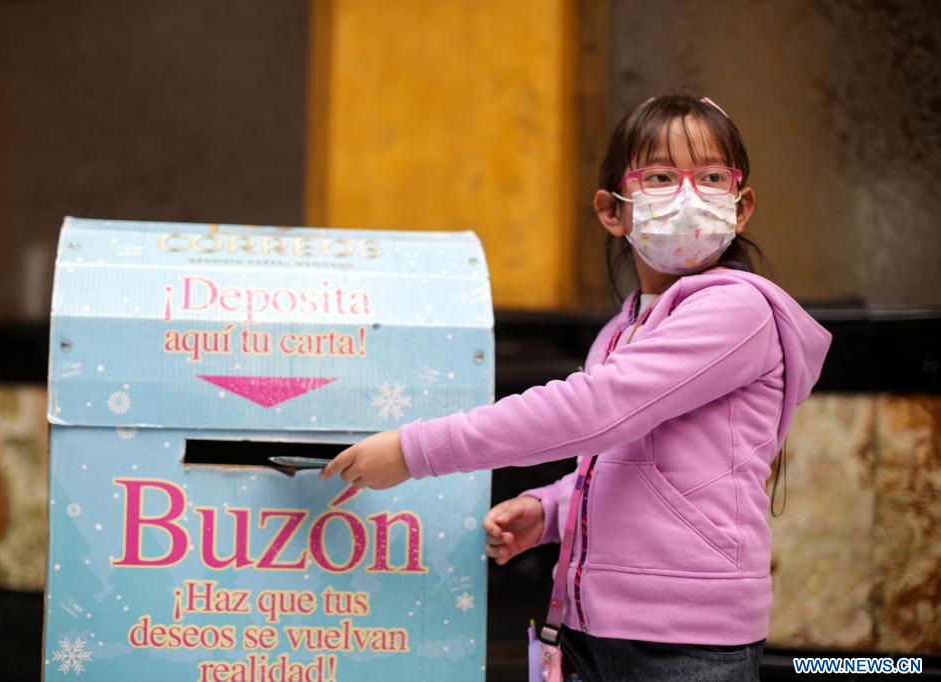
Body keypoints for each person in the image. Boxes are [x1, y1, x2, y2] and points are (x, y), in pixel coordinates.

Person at [321, 92, 832, 681]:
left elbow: (597, 410)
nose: (689, 196)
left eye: (712, 177)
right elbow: (631, 459)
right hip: (595, 628)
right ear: (612, 210)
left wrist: (417, 450)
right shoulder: (624, 326)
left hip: (686, 641)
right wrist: (553, 509)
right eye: (661, 177)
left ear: (741, 207)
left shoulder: (736, 311)